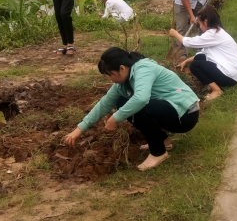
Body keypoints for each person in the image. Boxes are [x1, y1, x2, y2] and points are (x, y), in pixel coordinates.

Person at [64, 48, 200, 171]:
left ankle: (158, 153)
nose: (111, 79)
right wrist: (79, 129)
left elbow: (141, 98)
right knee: (122, 101)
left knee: (139, 106)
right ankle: (164, 142)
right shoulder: (124, 81)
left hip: (187, 114)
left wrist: (115, 118)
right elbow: (104, 104)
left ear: (122, 68)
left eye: (111, 74)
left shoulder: (144, 69)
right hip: (172, 111)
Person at [169, 6, 237, 100]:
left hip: (230, 77)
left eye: (200, 23)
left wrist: (175, 34)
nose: (200, 27)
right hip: (232, 74)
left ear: (206, 21)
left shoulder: (213, 34)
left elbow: (189, 43)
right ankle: (215, 84)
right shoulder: (218, 32)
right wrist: (185, 61)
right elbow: (202, 54)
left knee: (195, 66)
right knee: (200, 58)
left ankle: (216, 90)